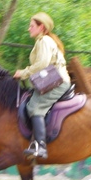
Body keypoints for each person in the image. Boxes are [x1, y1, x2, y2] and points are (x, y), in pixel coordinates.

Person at [12, 12, 72, 159]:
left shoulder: (44, 41)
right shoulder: (44, 40)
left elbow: (43, 64)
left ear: (41, 27)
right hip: (53, 80)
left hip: (57, 82)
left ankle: (41, 146)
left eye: (32, 26)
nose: (29, 29)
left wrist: (23, 73)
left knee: (35, 107)